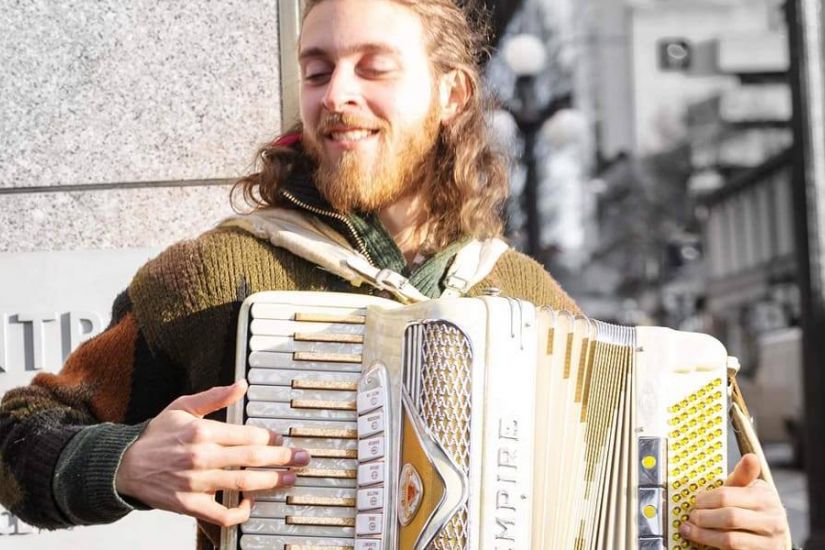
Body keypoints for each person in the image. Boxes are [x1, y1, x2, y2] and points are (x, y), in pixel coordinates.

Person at [0, 0, 791, 549]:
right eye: (317, 71)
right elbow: (17, 436)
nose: (338, 96)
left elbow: (630, 514)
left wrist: (731, 527)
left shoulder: (525, 297)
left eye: (372, 68)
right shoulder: (215, 276)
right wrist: (126, 461)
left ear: (452, 95)